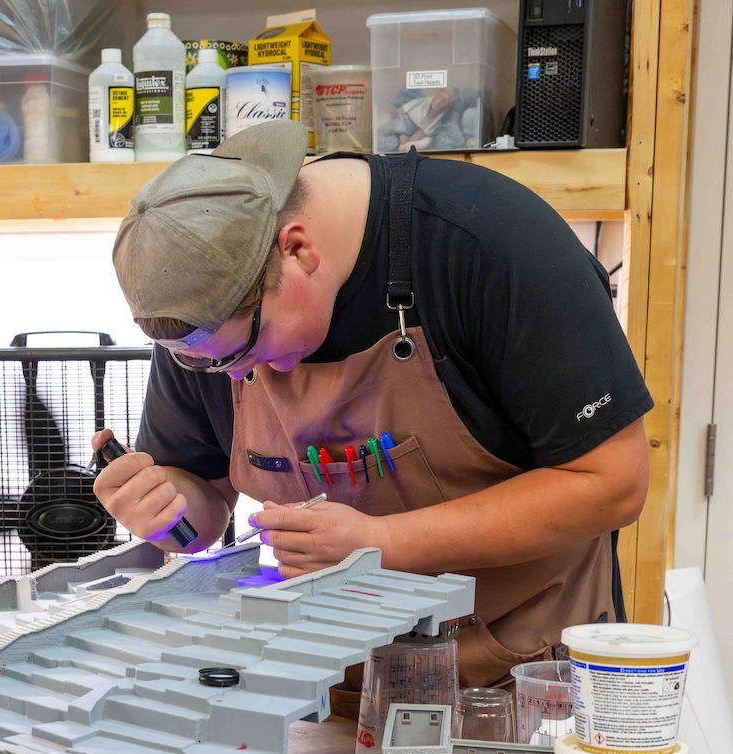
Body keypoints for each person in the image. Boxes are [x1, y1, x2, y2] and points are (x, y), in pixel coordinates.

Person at [92, 120, 650, 717]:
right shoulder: (203, 305)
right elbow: (201, 510)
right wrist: (165, 511)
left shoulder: (488, 243)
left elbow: (611, 484)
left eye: (242, 351)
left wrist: (380, 543)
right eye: (207, 363)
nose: (234, 376)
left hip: (520, 681)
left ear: (298, 250)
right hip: (330, 682)